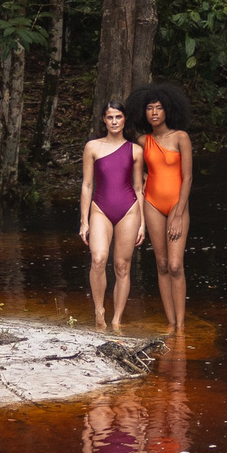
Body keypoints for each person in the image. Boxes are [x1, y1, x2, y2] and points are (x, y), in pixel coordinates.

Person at [126, 83, 194, 333]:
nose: (154, 113)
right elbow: (127, 161)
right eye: (149, 109)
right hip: (152, 204)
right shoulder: (143, 141)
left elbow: (187, 178)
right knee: (162, 263)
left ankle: (182, 326)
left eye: (159, 108)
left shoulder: (180, 137)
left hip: (177, 205)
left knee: (176, 265)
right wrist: (142, 178)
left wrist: (177, 214)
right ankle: (171, 323)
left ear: (168, 111)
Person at [79, 100, 146, 331]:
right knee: (98, 259)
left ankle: (117, 321)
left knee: (122, 266)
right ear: (104, 120)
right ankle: (99, 312)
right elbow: (87, 185)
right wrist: (83, 220)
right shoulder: (92, 147)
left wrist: (143, 224)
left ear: (124, 119)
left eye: (118, 117)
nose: (114, 121)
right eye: (110, 117)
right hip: (100, 208)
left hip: (129, 210)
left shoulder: (136, 150)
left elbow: (138, 188)